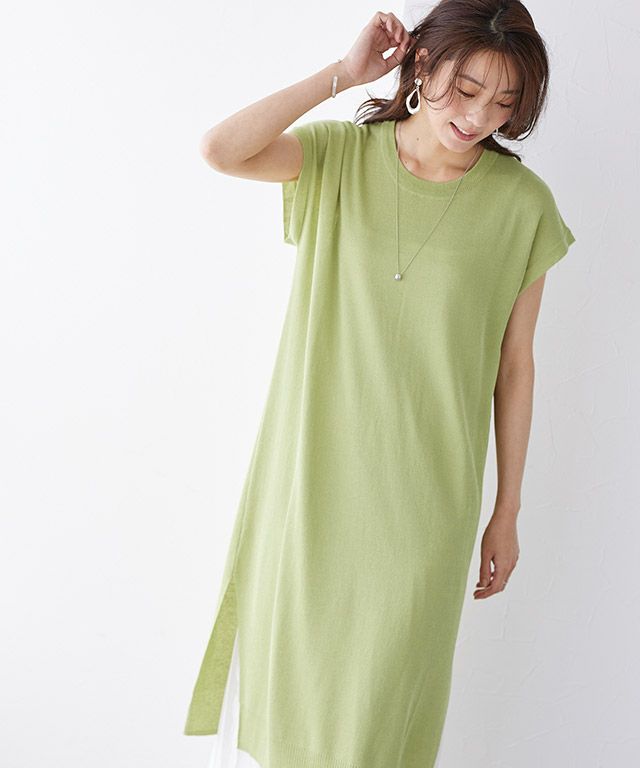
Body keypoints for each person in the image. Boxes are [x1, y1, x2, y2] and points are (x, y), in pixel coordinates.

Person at [184, 2, 577, 767]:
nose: (478, 117)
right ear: (422, 64)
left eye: (504, 102)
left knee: (380, 725)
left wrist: (507, 511)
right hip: (311, 487)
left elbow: (515, 366)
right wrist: (343, 74)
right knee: (297, 710)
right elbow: (221, 150)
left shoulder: (522, 206)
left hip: (425, 506)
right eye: (466, 89)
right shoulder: (340, 157)